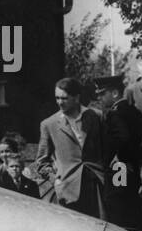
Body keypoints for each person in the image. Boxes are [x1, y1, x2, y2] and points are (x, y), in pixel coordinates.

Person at [95, 74, 142, 231]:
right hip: (128, 171)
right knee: (131, 215)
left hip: (118, 172)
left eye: (102, 93)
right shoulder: (131, 110)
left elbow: (123, 137)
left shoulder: (115, 114)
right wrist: (138, 159)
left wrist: (122, 157)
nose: (98, 97)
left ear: (114, 93)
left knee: (118, 216)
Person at [37, 77, 104, 217]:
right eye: (57, 98)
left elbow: (108, 150)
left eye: (64, 98)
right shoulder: (49, 124)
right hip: (68, 191)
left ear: (77, 97)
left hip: (97, 186)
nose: (59, 102)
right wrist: (55, 179)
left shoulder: (96, 116)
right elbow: (41, 163)